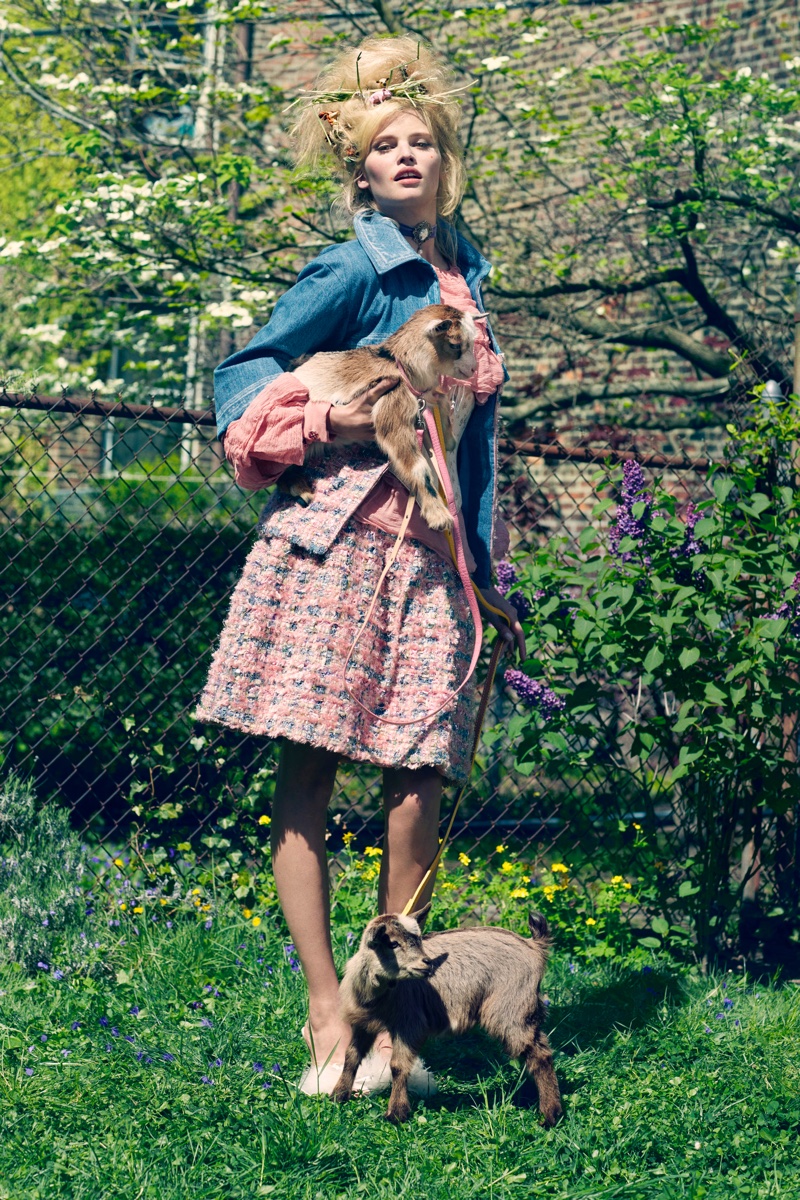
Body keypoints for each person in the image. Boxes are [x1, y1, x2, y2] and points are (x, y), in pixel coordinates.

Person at [195, 35, 525, 1094]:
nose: (409, 159)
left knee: (420, 777)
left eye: (423, 142)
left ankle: (390, 1018)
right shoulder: (349, 267)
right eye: (388, 148)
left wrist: (481, 563)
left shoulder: (464, 276)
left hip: (433, 562)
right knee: (308, 770)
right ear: (361, 169)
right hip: (336, 545)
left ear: (445, 158)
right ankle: (322, 1008)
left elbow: (468, 446)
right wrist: (322, 421)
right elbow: (242, 375)